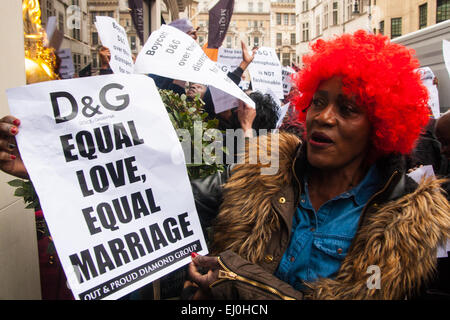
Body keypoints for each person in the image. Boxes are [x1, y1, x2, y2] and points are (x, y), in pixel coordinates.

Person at [186, 30, 450, 300]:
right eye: (318, 102)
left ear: (380, 126)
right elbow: (183, 199)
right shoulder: (266, 166)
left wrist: (237, 282)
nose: (323, 117)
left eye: (347, 109)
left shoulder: (403, 221)